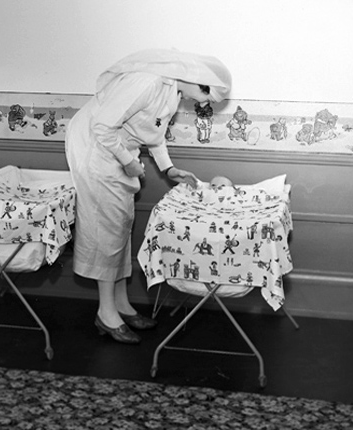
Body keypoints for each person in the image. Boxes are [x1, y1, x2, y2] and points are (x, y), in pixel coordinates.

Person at [65, 49, 232, 344]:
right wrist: (129, 162)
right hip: (95, 149)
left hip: (115, 150)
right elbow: (101, 126)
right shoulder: (147, 82)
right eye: (207, 98)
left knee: (121, 224)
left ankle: (120, 305)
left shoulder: (172, 92)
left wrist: (169, 170)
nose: (202, 104)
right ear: (199, 81)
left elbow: (153, 134)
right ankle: (106, 314)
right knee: (108, 226)